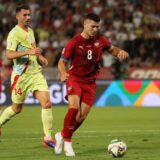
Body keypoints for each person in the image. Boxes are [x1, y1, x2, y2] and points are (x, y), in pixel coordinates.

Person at [55, 13, 129, 157]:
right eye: (92, 26)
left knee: (82, 116)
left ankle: (61, 134)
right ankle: (68, 142)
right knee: (74, 108)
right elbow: (61, 61)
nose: (95, 29)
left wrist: (120, 52)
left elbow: (112, 49)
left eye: (97, 27)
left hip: (90, 82)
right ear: (85, 25)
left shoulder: (100, 39)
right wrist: (63, 73)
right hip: (75, 78)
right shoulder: (74, 42)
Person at [0, 4, 55, 148]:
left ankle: (47, 138)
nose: (28, 17)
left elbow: (34, 49)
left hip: (35, 73)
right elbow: (9, 55)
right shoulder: (14, 33)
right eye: (25, 15)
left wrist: (40, 57)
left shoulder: (30, 31)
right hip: (21, 76)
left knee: (47, 103)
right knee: (16, 109)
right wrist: (28, 53)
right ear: (17, 16)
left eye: (29, 15)